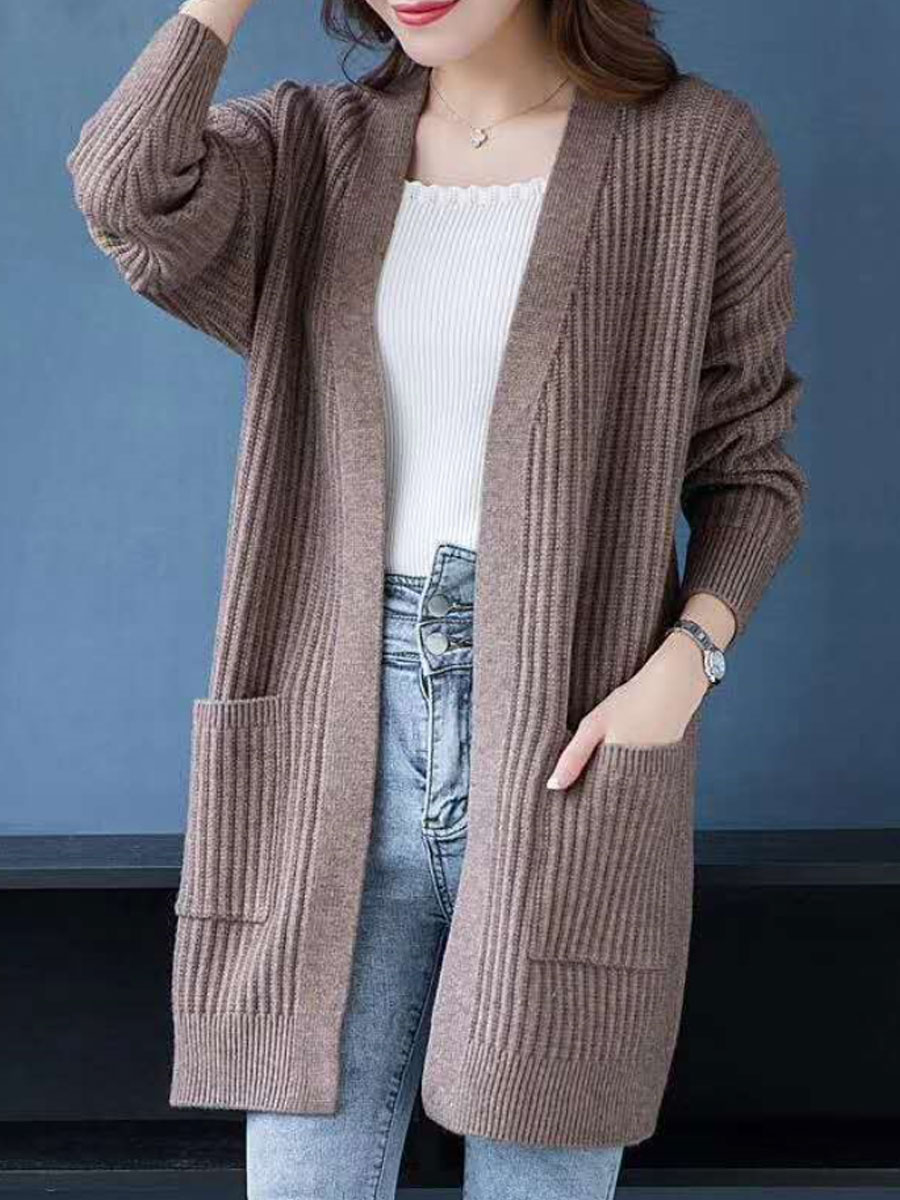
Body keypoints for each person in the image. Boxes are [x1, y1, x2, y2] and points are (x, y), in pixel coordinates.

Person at [66, 0, 808, 1196]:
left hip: (567, 734)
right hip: (334, 731)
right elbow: (127, 192)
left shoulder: (693, 148)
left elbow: (751, 472)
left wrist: (684, 667)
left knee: (540, 1170)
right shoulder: (309, 147)